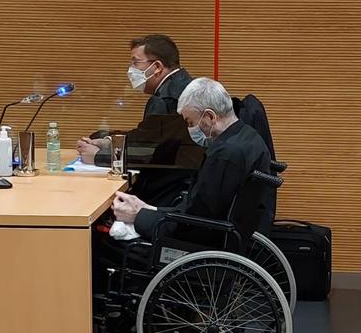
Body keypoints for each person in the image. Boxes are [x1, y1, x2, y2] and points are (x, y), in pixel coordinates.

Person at [111, 77, 273, 242]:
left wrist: (138, 217)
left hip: (201, 241)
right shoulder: (247, 136)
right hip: (217, 231)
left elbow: (195, 225)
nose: (189, 129)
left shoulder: (224, 155)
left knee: (110, 247)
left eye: (190, 122)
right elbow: (198, 210)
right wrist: (147, 209)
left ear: (209, 116)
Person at [76, 34, 197, 206]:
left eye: (135, 62)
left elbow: (149, 153)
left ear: (156, 67)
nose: (131, 70)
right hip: (184, 184)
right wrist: (109, 141)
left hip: (168, 192)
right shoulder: (185, 87)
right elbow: (148, 136)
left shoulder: (166, 99)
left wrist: (99, 157)